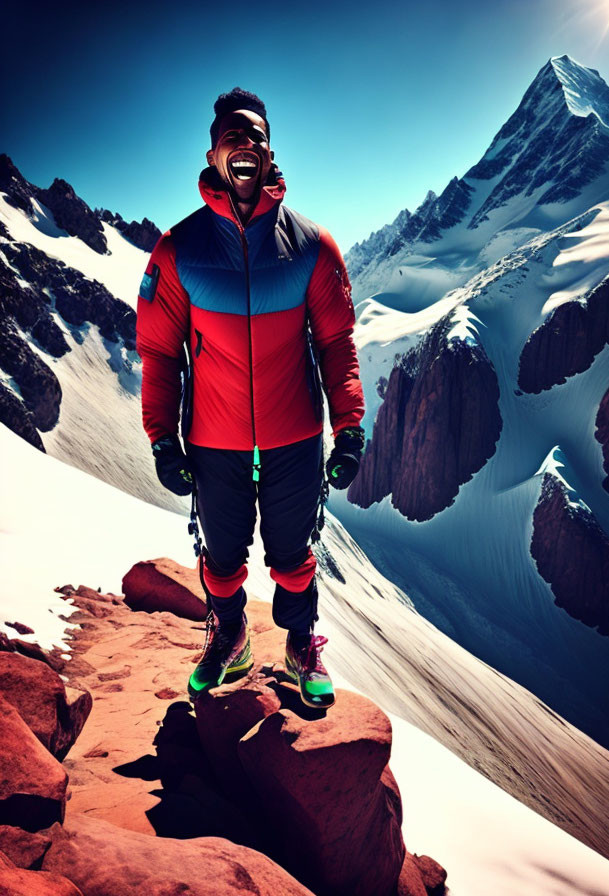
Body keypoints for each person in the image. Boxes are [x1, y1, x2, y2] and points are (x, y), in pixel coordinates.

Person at [136, 87, 365, 709]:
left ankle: (299, 643)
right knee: (221, 555)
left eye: (257, 137)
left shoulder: (314, 248)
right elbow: (159, 355)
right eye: (234, 137)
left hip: (294, 438)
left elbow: (336, 344)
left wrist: (348, 427)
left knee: (294, 555)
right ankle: (230, 637)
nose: (247, 146)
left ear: (269, 155)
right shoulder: (178, 251)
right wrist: (162, 438)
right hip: (214, 440)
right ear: (213, 155)